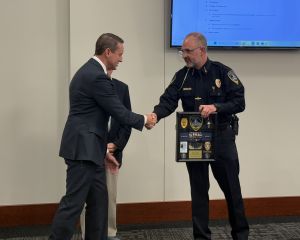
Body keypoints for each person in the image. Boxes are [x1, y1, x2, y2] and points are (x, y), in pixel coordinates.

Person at [49, 33, 156, 240]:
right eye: (119, 54)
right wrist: (145, 119)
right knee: (73, 204)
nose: (121, 59)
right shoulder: (95, 76)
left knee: (99, 204)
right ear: (108, 52)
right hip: (83, 150)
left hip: (92, 150)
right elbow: (120, 112)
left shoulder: (90, 71)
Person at [152, 32, 249, 240]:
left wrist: (216, 107)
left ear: (202, 50)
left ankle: (241, 235)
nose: (184, 55)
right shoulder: (182, 76)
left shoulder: (223, 73)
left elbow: (239, 103)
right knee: (198, 192)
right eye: (182, 51)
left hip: (222, 137)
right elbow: (168, 101)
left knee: (232, 190)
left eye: (188, 51)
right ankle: (201, 237)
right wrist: (155, 115)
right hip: (195, 139)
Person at [80, 69, 132, 240]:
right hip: (89, 150)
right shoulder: (86, 86)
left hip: (112, 152)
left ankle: (110, 233)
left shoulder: (122, 88)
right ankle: (87, 234)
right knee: (87, 196)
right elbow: (80, 120)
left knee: (109, 196)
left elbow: (127, 122)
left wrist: (116, 145)